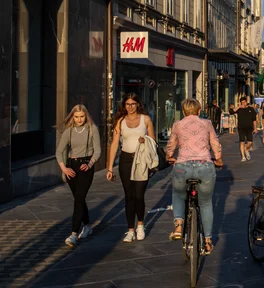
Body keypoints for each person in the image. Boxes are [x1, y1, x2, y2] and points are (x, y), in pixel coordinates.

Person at [165, 99, 223, 254]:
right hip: (204, 165)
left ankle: (178, 225)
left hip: (183, 166)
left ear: (183, 112)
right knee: (205, 203)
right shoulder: (207, 123)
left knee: (178, 194)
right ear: (199, 111)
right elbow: (215, 143)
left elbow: (171, 144)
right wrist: (218, 158)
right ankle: (208, 241)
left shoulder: (177, 125)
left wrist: (169, 156)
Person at [106, 93, 156, 243]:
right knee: (129, 196)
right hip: (126, 160)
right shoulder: (120, 121)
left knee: (139, 195)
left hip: (141, 160)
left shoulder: (145, 119)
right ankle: (130, 230)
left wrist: (145, 139)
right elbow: (115, 144)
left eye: (133, 104)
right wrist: (109, 168)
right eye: (127, 104)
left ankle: (140, 224)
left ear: (138, 104)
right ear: (124, 105)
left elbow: (153, 141)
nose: (130, 107)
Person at [56, 104, 102, 248]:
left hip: (86, 166)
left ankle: (74, 234)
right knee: (79, 198)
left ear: (86, 116)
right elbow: (59, 152)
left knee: (79, 199)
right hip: (71, 167)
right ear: (73, 117)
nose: (79, 119)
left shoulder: (92, 129)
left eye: (82, 116)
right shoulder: (68, 131)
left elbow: (98, 151)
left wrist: (89, 164)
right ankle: (87, 225)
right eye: (76, 117)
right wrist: (64, 168)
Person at [236, 97, 257, 162]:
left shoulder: (251, 109)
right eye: (242, 102)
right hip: (241, 128)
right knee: (242, 142)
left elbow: (254, 119)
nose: (243, 104)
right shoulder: (239, 109)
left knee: (250, 142)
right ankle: (243, 156)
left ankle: (247, 150)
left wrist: (255, 128)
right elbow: (231, 111)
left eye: (244, 102)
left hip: (249, 128)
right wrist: (239, 107)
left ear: (246, 102)